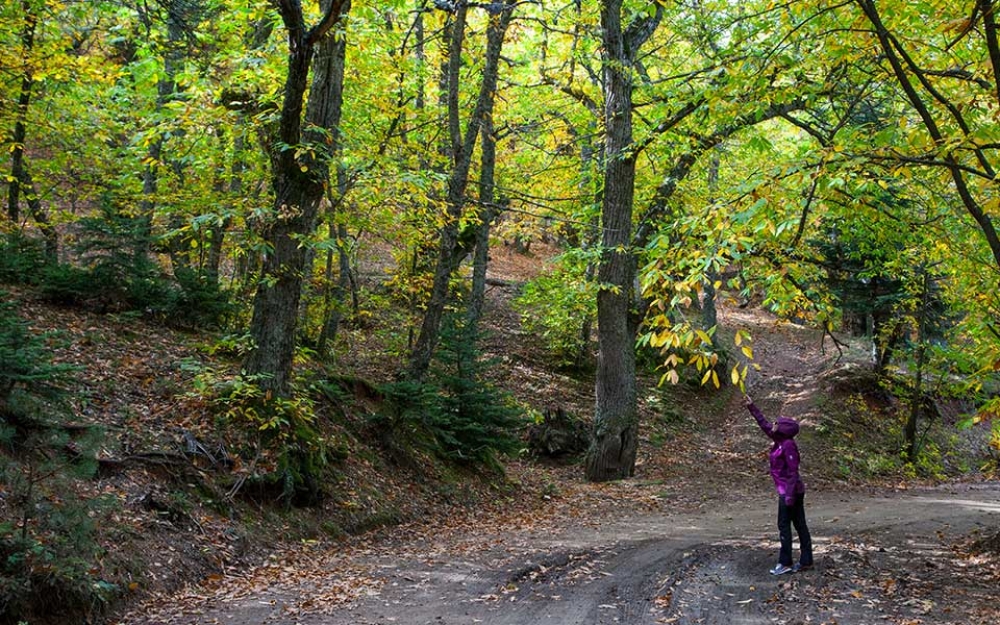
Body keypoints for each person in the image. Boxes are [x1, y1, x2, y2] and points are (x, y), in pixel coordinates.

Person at [743, 394, 813, 575]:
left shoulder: (788, 445)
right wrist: (752, 407)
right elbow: (764, 424)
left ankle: (786, 562)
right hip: (789, 491)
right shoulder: (779, 440)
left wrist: (788, 496)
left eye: (777, 423)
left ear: (783, 429)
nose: (773, 425)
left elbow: (793, 472)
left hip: (791, 492)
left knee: (787, 525)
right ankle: (805, 561)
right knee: (796, 525)